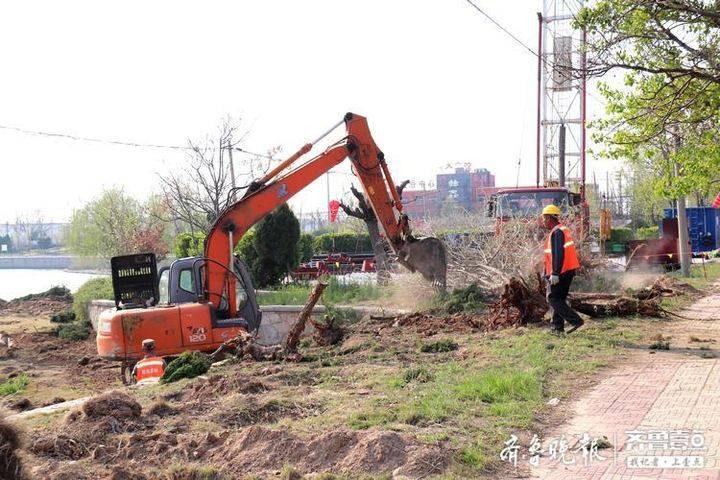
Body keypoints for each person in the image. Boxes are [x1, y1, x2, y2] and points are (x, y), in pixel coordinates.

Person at [541, 205, 584, 335]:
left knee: (552, 298)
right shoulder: (561, 230)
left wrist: (555, 273)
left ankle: (575, 320)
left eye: (544, 218)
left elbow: (558, 254)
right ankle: (557, 328)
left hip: (561, 271)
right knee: (558, 299)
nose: (543, 221)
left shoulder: (557, 232)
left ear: (549, 217)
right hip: (566, 271)